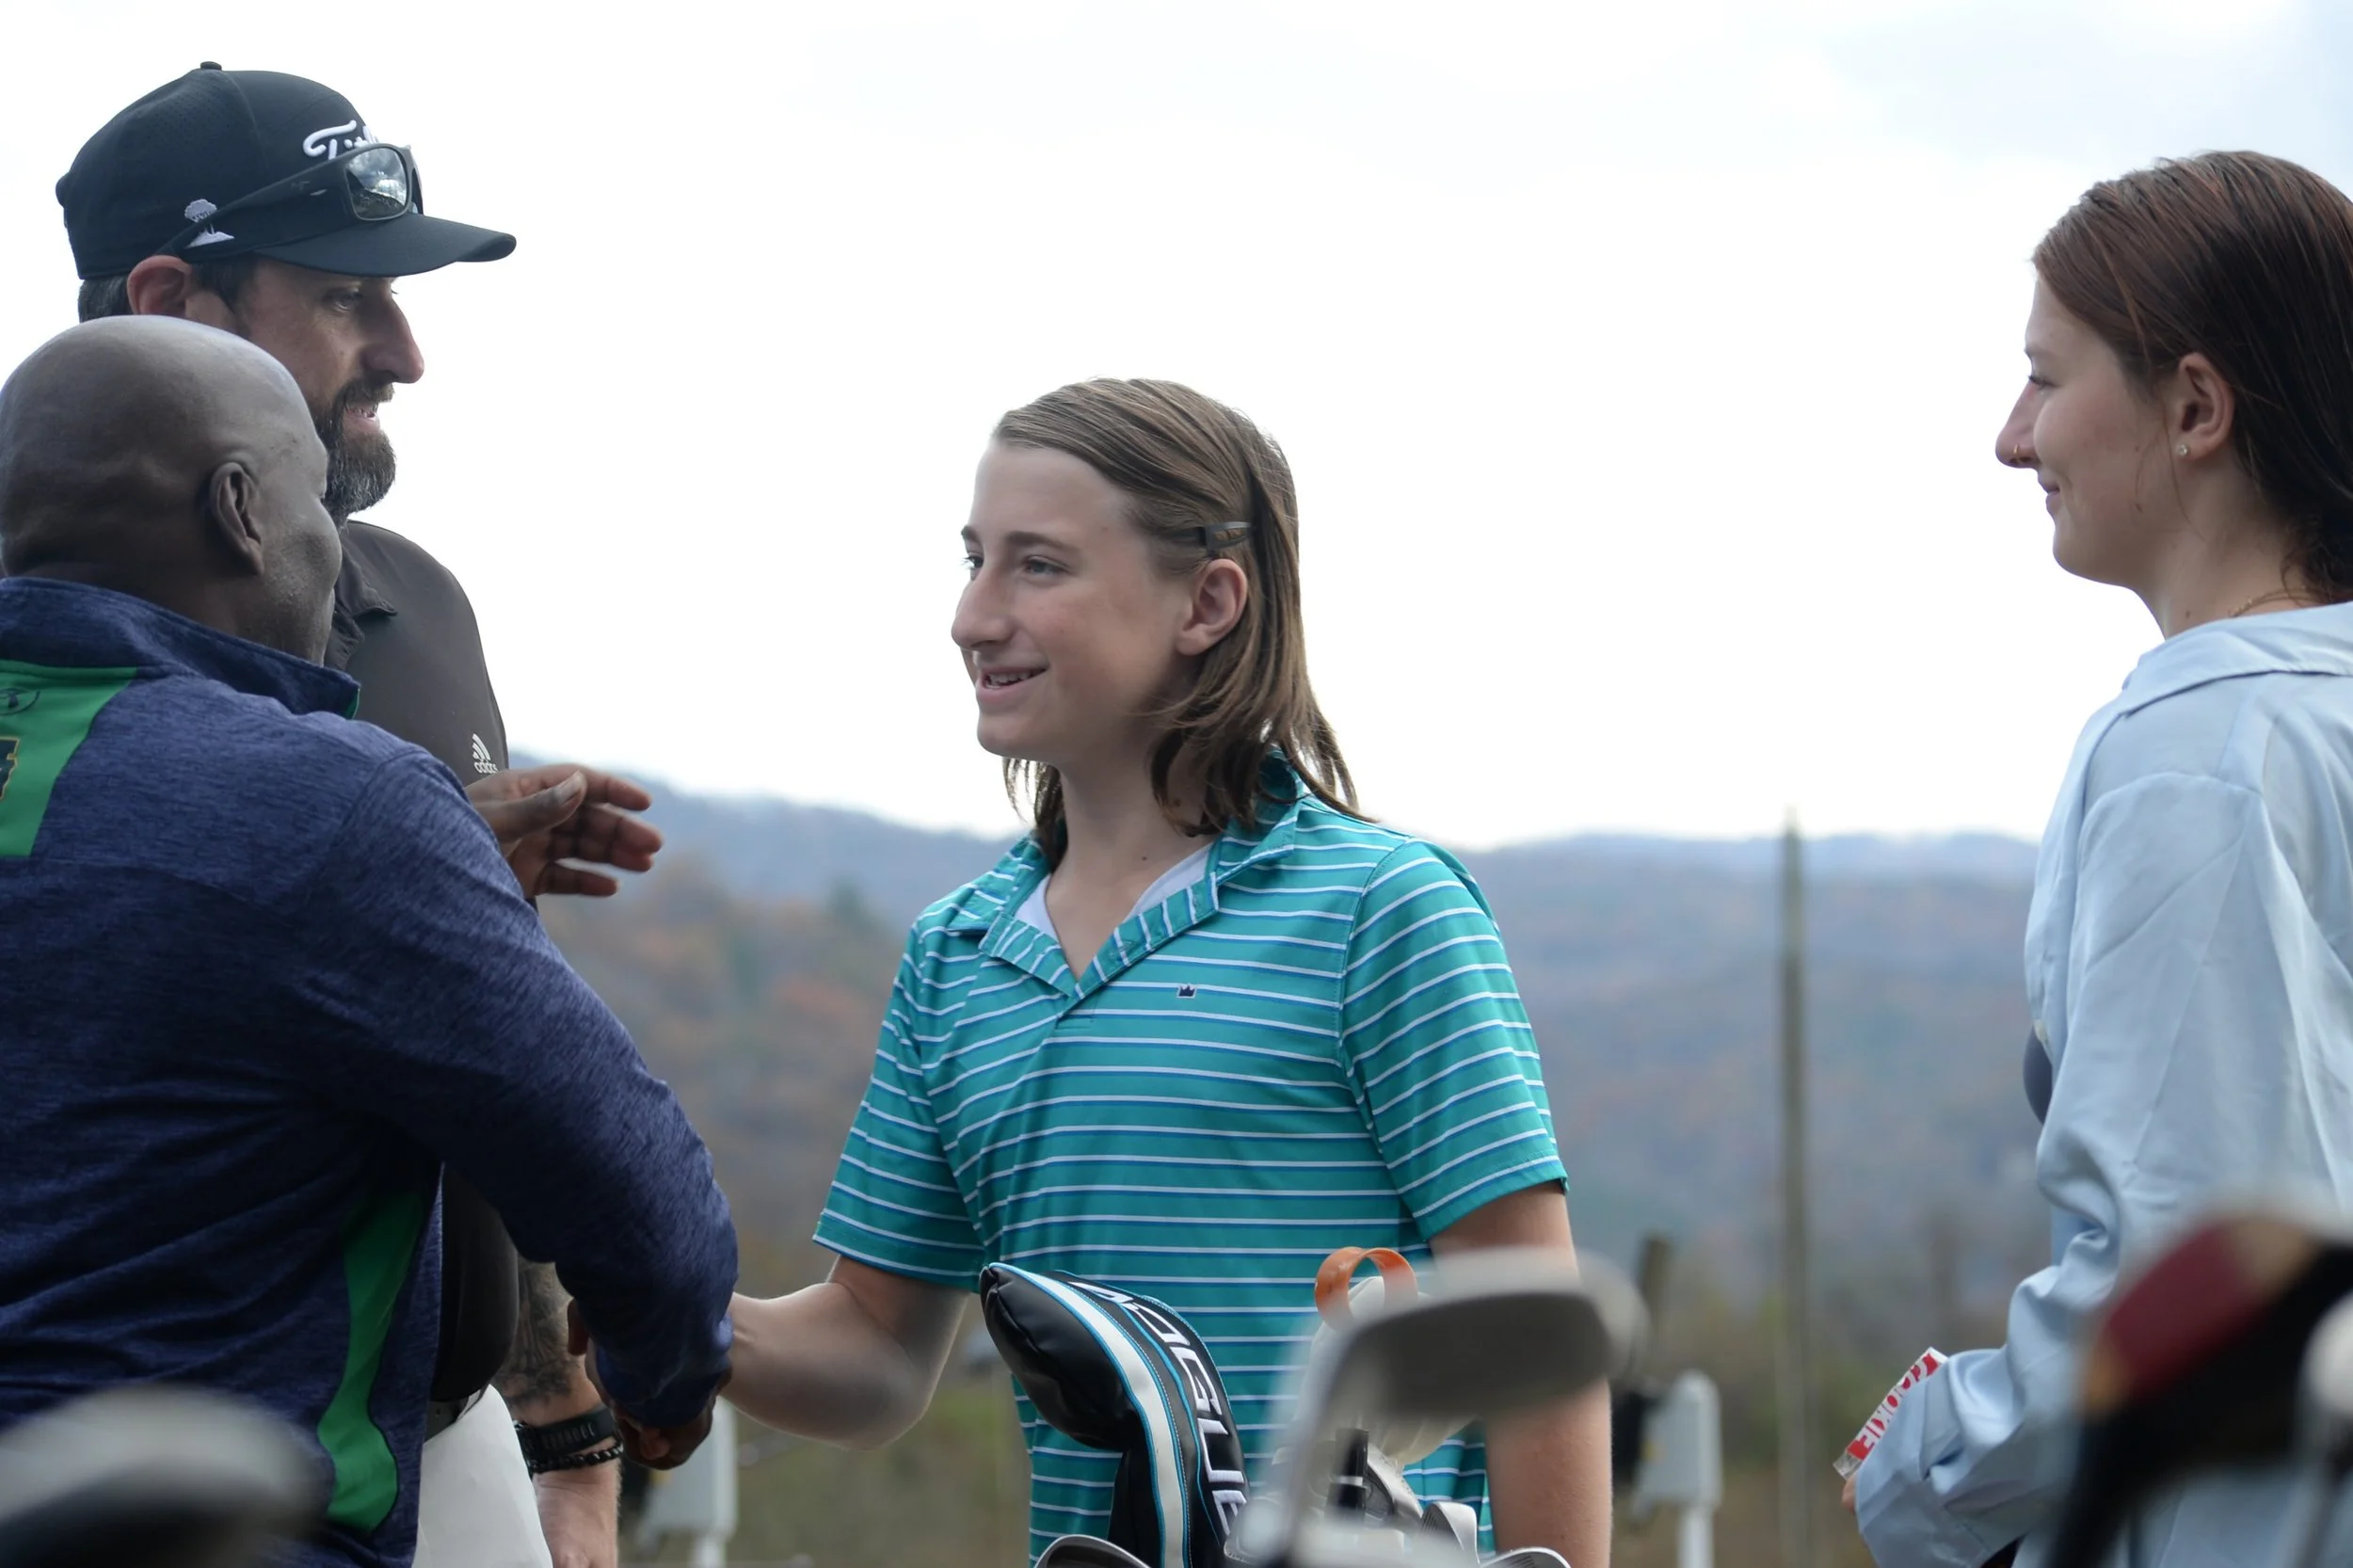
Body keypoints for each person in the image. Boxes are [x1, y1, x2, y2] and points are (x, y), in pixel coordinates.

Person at [723, 378, 1612, 1565]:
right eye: (975, 560)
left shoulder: (1381, 911)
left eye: (1038, 566)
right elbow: (876, 1351)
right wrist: (658, 1307)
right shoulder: (954, 955)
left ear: (1207, 601)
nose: (972, 617)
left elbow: (1534, 1341)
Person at [0, 313, 737, 1568]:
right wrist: (661, 1377)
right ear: (241, 510)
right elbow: (639, 1199)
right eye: (314, 509)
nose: (331, 555)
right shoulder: (336, 806)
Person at [55, 65, 633, 1567]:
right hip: (89, 1469)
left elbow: (491, 1058)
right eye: (344, 295)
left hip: (442, 1444)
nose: (406, 350)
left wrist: (562, 1427)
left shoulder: (417, 602)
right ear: (175, 301)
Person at [1849, 152, 2353, 1567]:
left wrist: (1921, 1464)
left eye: (2044, 376)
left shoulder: (2202, 751)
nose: (2012, 439)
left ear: (2194, 408)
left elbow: (2181, 1273)